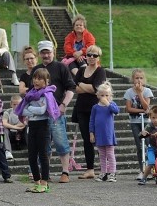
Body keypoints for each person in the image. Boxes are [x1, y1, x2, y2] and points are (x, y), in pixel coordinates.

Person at [32, 40, 77, 183]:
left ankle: (65, 172)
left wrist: (63, 105)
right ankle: (46, 173)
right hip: (40, 114)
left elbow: (71, 88)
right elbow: (31, 91)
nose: (46, 55)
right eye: (43, 52)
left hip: (56, 112)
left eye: (48, 52)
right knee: (43, 146)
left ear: (53, 52)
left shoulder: (61, 67)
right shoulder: (36, 69)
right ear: (39, 54)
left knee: (60, 141)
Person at [15, 67, 60, 193]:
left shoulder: (47, 94)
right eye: (35, 78)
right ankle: (36, 182)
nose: (36, 81)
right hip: (32, 127)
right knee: (31, 156)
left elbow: (42, 111)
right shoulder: (30, 95)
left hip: (43, 127)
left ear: (46, 81)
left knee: (43, 155)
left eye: (40, 78)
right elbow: (22, 110)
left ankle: (44, 183)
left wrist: (30, 110)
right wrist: (31, 110)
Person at [70, 43, 107, 180]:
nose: (91, 57)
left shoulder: (100, 71)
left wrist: (82, 85)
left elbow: (97, 89)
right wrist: (87, 87)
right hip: (81, 108)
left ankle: (105, 167)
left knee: (99, 138)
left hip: (96, 109)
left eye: (94, 55)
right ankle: (90, 169)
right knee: (87, 139)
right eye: (89, 55)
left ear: (98, 57)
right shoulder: (81, 70)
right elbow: (75, 87)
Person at [124, 68, 153, 181]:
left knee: (148, 145)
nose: (139, 80)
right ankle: (142, 170)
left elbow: (147, 107)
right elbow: (129, 108)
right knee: (140, 146)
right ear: (133, 79)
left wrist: (140, 93)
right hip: (135, 122)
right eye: (137, 78)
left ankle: (151, 169)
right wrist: (141, 111)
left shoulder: (147, 91)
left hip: (146, 123)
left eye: (141, 78)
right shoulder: (129, 92)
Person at [89, 82, 120, 182]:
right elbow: (92, 120)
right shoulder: (95, 107)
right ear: (98, 95)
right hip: (99, 134)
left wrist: (108, 103)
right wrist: (91, 132)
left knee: (110, 154)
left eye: (107, 95)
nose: (104, 97)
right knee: (102, 154)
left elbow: (116, 111)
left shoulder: (111, 105)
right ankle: (103, 172)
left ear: (110, 96)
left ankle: (112, 173)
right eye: (102, 95)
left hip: (108, 134)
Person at [3, 93, 25, 162]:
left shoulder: (24, 111)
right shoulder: (7, 112)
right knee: (4, 129)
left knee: (28, 127)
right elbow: (4, 123)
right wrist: (16, 127)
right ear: (11, 104)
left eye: (18, 104)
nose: (16, 106)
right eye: (14, 104)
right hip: (11, 133)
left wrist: (13, 127)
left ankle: (31, 148)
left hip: (21, 133)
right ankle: (8, 151)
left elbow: (24, 123)